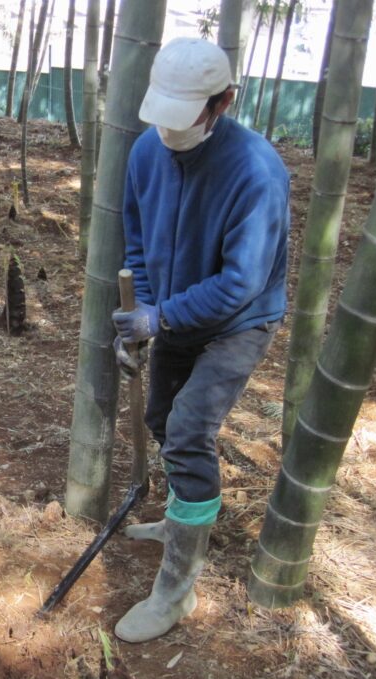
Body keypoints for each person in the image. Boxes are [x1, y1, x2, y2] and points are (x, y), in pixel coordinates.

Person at [110, 38, 290, 643]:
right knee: (163, 417)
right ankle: (182, 518)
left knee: (189, 433)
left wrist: (160, 320)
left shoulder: (255, 173)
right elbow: (136, 237)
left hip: (239, 321)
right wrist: (140, 308)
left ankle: (176, 591)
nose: (168, 131)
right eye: (161, 113)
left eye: (183, 116)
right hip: (173, 311)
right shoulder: (145, 150)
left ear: (223, 103)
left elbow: (242, 282)